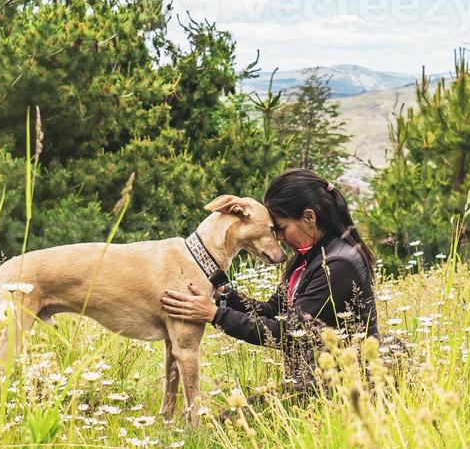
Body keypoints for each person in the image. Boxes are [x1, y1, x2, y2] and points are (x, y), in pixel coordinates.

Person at [160, 168, 378, 394]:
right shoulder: (308, 259)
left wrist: (214, 315)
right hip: (313, 382)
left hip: (343, 386)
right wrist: (222, 294)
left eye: (281, 229)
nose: (279, 238)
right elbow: (274, 310)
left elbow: (289, 332)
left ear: (309, 217)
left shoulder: (338, 265)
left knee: (234, 423)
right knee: (234, 420)